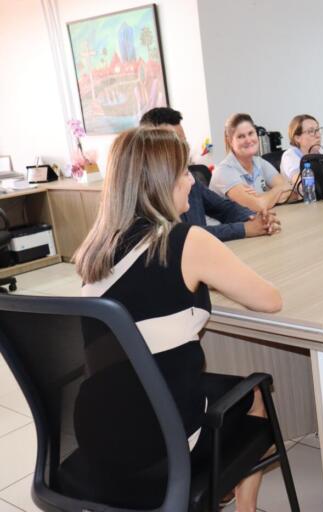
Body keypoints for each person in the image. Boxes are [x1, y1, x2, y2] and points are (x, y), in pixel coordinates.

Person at [74, 127, 282, 512]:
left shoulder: (95, 250)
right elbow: (270, 300)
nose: (191, 180)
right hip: (163, 447)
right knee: (257, 395)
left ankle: (219, 493)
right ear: (159, 183)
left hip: (97, 443)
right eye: (184, 172)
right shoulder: (187, 239)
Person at [140, 107, 281, 241]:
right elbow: (188, 235)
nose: (183, 149)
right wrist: (244, 229)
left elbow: (223, 207)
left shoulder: (191, 179)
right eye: (173, 144)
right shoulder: (148, 194)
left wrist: (255, 218)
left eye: (183, 142)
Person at [210, 113, 294, 211]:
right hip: (229, 225)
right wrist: (277, 190)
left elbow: (290, 192)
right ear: (230, 141)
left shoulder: (259, 162)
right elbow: (258, 206)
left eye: (251, 133)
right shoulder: (223, 171)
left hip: (256, 222)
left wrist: (262, 197)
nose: (248, 140)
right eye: (241, 136)